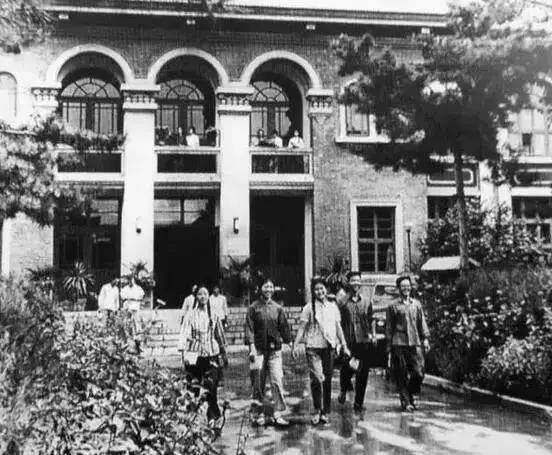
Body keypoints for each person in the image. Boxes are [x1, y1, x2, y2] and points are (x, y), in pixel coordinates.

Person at [293, 277, 350, 425]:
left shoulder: (333, 307)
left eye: (321, 288)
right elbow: (302, 328)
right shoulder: (308, 308)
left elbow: (338, 328)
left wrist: (344, 345)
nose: (319, 291)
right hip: (313, 348)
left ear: (326, 289)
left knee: (327, 380)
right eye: (316, 289)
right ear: (313, 291)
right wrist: (295, 345)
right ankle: (317, 409)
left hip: (329, 348)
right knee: (318, 378)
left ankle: (325, 411)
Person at [244, 277, 292, 427]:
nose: (268, 289)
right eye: (266, 286)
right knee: (258, 383)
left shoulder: (278, 308)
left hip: (274, 351)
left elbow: (284, 327)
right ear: (261, 288)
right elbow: (249, 329)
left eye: (271, 287)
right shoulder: (253, 308)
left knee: (277, 380)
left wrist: (290, 343)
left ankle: (277, 413)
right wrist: (252, 348)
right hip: (258, 350)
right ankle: (258, 413)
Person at [179, 286, 227, 423]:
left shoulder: (214, 314)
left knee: (211, 386)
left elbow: (219, 334)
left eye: (205, 294)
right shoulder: (190, 315)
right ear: (196, 296)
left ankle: (213, 417)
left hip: (211, 353)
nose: (203, 297)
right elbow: (184, 334)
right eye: (200, 294)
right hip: (194, 354)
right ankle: (191, 419)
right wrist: (183, 354)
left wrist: (223, 352)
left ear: (208, 296)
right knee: (193, 386)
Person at [386, 275, 430, 412]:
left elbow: (422, 322)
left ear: (411, 287)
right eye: (403, 286)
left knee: (419, 373)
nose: (406, 288)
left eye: (408, 286)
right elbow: (389, 327)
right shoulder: (393, 306)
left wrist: (425, 338)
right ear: (398, 288)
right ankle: (406, 402)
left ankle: (409, 394)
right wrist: (389, 347)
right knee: (401, 374)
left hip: (415, 342)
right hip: (398, 343)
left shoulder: (416, 304)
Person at [338, 271, 376, 413]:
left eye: (358, 280)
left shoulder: (366, 301)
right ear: (348, 283)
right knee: (347, 368)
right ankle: (343, 389)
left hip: (363, 340)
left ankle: (358, 403)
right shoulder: (342, 302)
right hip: (348, 341)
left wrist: (373, 335)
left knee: (363, 372)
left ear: (360, 283)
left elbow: (371, 319)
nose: (356, 283)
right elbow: (337, 322)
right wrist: (339, 341)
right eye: (353, 280)